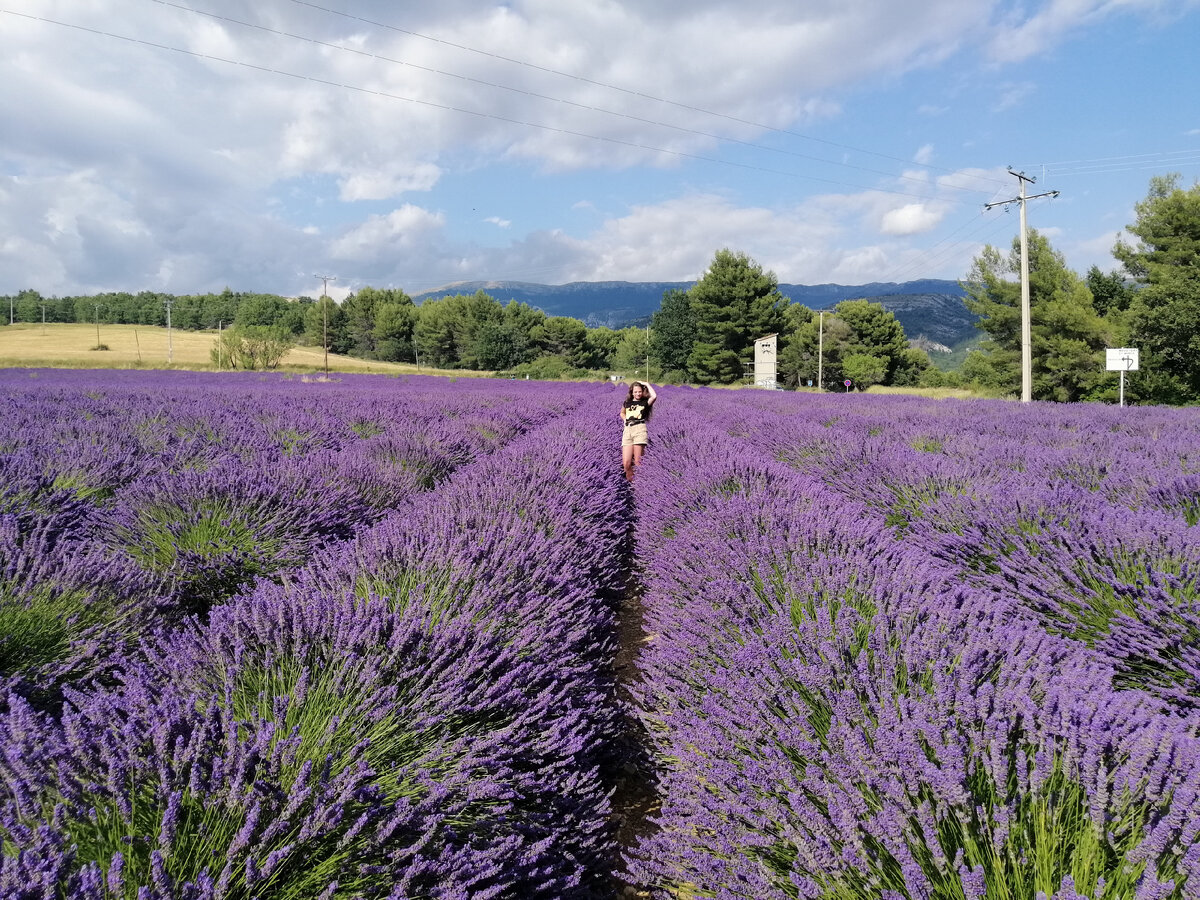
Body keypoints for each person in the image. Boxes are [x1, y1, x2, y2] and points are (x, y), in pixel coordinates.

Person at [620, 380, 657, 481]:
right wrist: (624, 419)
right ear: (632, 392)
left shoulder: (645, 403)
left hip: (639, 430)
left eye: (640, 391)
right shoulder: (627, 403)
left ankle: (638, 485)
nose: (638, 393)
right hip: (627, 430)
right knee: (626, 463)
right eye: (635, 392)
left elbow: (654, 396)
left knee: (638, 462)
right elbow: (622, 413)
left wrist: (647, 384)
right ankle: (631, 481)